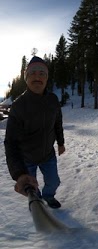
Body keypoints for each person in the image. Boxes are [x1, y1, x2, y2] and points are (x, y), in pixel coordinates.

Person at [4, 56, 65, 209]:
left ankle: (49, 197)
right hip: (27, 158)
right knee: (31, 185)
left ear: (47, 78)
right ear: (26, 78)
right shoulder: (19, 105)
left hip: (48, 155)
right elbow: (10, 142)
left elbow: (57, 122)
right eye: (32, 73)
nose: (37, 77)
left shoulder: (53, 99)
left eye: (42, 73)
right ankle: (35, 200)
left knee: (54, 181)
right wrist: (19, 174)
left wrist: (61, 142)